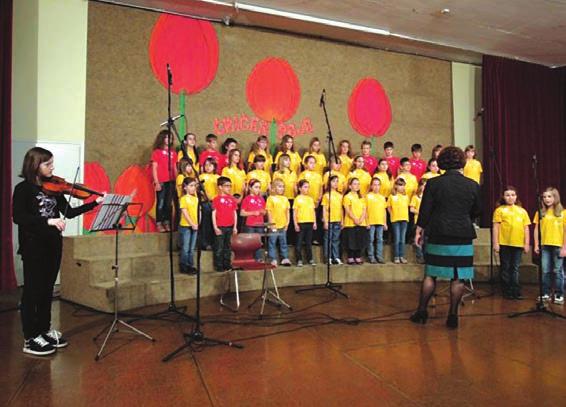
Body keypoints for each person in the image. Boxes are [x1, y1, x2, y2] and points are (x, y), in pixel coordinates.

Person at [13, 147, 104, 356]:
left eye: (52, 163)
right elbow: (19, 217)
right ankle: (30, 337)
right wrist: (48, 220)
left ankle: (43, 331)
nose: (52, 167)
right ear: (34, 165)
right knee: (32, 292)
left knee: (47, 291)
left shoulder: (55, 187)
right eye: (48, 164)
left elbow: (69, 212)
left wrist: (93, 203)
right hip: (33, 246)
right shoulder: (23, 189)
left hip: (53, 245)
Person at [410, 146, 481, 329]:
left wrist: (419, 231)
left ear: (442, 162)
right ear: (461, 162)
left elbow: (425, 211)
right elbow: (477, 211)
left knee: (431, 274)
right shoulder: (472, 185)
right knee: (458, 278)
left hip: (438, 233)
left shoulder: (433, 183)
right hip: (462, 235)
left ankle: (421, 311)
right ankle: (452, 316)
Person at [492, 186, 530, 299]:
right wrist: (496, 243)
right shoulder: (499, 210)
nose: (510, 197)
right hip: (505, 243)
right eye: (507, 195)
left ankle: (515, 289)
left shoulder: (522, 211)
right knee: (505, 267)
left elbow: (526, 228)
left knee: (515, 267)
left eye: (513, 195)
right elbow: (496, 228)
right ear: (503, 197)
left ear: (516, 196)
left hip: (518, 243)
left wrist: (526, 243)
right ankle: (506, 290)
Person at [533, 187, 566, 304]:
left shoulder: (563, 213)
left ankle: (559, 294)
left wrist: (564, 247)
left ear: (555, 197)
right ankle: (545, 293)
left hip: (558, 246)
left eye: (549, 196)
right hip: (545, 245)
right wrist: (536, 244)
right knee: (545, 270)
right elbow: (537, 230)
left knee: (558, 271)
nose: (547, 199)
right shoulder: (540, 212)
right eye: (545, 197)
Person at [151, 129, 177, 232]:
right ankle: (159, 223)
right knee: (161, 203)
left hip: (170, 181)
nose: (168, 139)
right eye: (166, 137)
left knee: (168, 203)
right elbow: (154, 167)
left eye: (170, 137)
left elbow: (175, 167)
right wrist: (156, 182)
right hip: (161, 181)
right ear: (162, 138)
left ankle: (166, 222)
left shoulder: (173, 153)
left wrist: (177, 180)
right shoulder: (156, 152)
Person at [211, 177, 238, 272]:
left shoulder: (232, 199)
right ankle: (219, 265)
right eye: (226, 186)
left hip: (230, 226)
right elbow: (213, 213)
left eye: (230, 186)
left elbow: (234, 213)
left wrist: (235, 226)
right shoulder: (216, 199)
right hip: (220, 226)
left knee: (228, 247)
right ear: (220, 187)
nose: (229, 188)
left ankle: (227, 264)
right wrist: (215, 227)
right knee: (219, 247)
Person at [266, 180, 291, 266]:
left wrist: (287, 223)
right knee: (272, 242)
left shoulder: (285, 199)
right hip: (274, 226)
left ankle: (285, 258)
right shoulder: (270, 199)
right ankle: (272, 259)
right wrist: (271, 224)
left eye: (283, 186)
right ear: (273, 188)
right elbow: (269, 212)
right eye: (279, 186)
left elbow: (287, 212)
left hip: (283, 225)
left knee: (283, 242)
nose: (282, 188)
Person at [343, 178, 368, 265]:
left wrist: (361, 219)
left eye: (358, 184)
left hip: (361, 222)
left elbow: (364, 209)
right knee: (351, 241)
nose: (357, 186)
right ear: (350, 186)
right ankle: (350, 257)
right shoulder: (347, 197)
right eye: (354, 184)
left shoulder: (362, 197)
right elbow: (347, 209)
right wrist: (355, 219)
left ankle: (358, 256)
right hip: (351, 222)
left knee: (360, 240)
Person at [240, 179, 267, 262]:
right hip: (250, 224)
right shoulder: (246, 199)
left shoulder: (261, 199)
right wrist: (253, 213)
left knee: (258, 242)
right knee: (250, 242)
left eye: (259, 187)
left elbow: (265, 211)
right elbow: (242, 213)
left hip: (260, 224)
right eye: (256, 187)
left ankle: (258, 258)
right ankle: (249, 258)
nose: (258, 189)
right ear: (250, 188)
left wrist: (263, 212)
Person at [293, 180, 316, 266]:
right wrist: (295, 224)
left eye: (308, 187)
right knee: (299, 242)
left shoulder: (310, 199)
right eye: (305, 187)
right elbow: (295, 213)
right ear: (300, 188)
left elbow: (313, 211)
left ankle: (310, 259)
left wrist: (314, 222)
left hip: (309, 222)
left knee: (308, 243)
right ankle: (299, 259)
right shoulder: (297, 199)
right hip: (301, 223)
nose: (307, 189)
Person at [321, 175, 343, 264]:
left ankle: (336, 256)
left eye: (337, 181)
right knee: (328, 239)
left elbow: (341, 209)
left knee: (336, 239)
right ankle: (328, 257)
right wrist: (325, 221)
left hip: (337, 220)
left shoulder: (340, 195)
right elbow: (324, 209)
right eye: (333, 181)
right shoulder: (326, 195)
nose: (335, 183)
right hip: (329, 220)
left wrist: (342, 220)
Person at [179, 177, 199, 274]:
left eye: (194, 186)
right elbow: (185, 212)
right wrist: (191, 224)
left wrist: (198, 223)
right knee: (186, 247)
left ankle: (191, 265)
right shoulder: (183, 199)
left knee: (192, 248)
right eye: (191, 186)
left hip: (195, 226)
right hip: (186, 226)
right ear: (185, 187)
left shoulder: (196, 199)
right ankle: (184, 265)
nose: (193, 188)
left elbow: (199, 211)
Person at [198, 158, 219, 249]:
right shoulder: (201, 177)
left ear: (214, 166)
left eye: (210, 165)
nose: (208, 167)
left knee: (215, 223)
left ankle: (214, 243)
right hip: (205, 202)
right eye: (206, 165)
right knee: (205, 223)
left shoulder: (217, 177)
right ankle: (205, 243)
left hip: (215, 202)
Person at [388, 178, 410, 264]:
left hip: (404, 219)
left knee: (402, 239)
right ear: (396, 186)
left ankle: (402, 256)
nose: (402, 187)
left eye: (403, 185)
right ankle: (396, 256)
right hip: (395, 219)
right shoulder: (392, 196)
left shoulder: (406, 196)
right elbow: (389, 207)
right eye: (400, 185)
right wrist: (392, 214)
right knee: (397, 238)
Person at [366, 177, 387, 264]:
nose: (376, 187)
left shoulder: (382, 197)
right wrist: (366, 222)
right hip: (371, 221)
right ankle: (371, 256)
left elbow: (384, 211)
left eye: (378, 185)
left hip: (380, 221)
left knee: (380, 239)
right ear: (371, 186)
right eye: (374, 184)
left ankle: (379, 256)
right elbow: (365, 210)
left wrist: (385, 222)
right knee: (370, 239)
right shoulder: (367, 196)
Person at [410, 179, 427, 264]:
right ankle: (420, 256)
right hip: (418, 221)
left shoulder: (428, 197)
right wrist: (421, 212)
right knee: (418, 239)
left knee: (424, 240)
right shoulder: (415, 197)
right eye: (423, 185)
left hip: (427, 222)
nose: (425, 187)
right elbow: (412, 209)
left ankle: (424, 256)